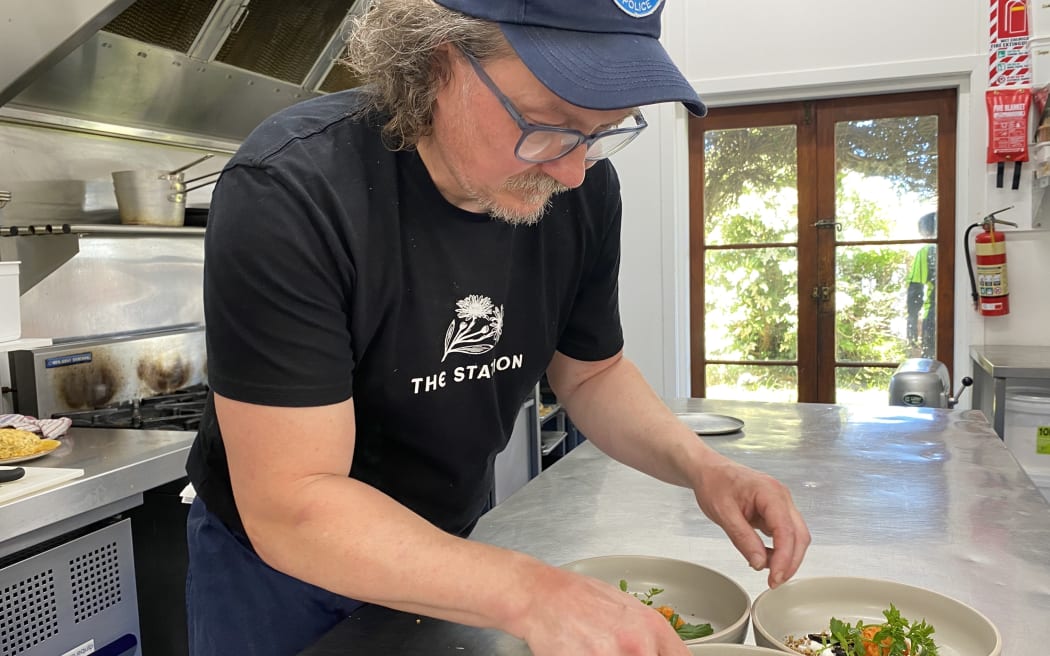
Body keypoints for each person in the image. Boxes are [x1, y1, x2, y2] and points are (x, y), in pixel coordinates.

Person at [184, 1, 811, 654]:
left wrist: (702, 468)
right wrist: (533, 593)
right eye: (547, 125)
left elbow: (591, 373)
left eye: (601, 132)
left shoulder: (583, 190)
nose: (571, 170)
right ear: (437, 62)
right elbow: (295, 507)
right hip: (278, 572)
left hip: (454, 545)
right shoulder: (293, 188)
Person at [906, 212, 937, 358]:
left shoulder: (926, 251)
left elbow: (915, 290)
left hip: (932, 314)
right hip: (950, 312)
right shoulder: (952, 249)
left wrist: (912, 319)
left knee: (930, 361)